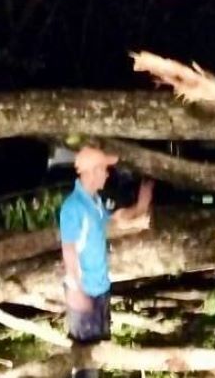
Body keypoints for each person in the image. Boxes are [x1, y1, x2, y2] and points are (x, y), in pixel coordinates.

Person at [60, 146, 154, 378]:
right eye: (104, 169)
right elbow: (69, 250)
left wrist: (140, 209)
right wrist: (76, 289)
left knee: (97, 356)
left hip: (100, 289)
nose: (108, 174)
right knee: (85, 363)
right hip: (85, 293)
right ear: (91, 172)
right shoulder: (73, 207)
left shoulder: (93, 202)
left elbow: (115, 220)